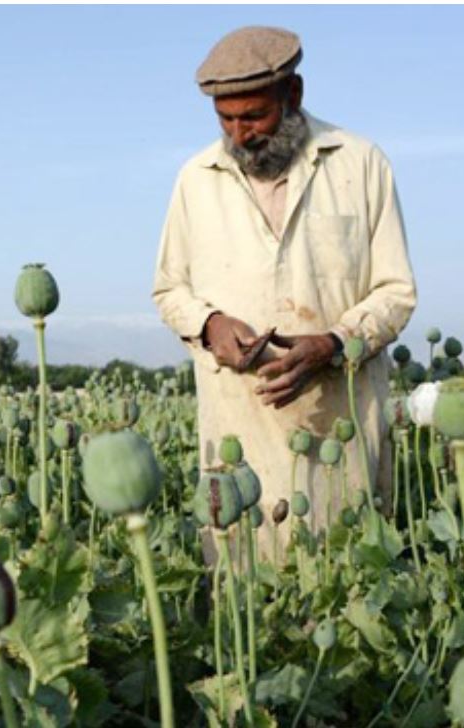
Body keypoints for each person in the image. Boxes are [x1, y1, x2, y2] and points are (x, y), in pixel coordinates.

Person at [151, 27, 417, 548]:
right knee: (244, 599)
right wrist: (210, 325)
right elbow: (169, 289)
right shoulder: (196, 178)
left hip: (338, 421)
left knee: (343, 577)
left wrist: (334, 343)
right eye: (226, 119)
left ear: (293, 95)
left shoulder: (359, 163)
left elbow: (396, 290)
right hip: (238, 428)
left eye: (253, 116)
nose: (240, 134)